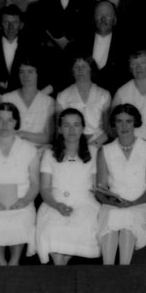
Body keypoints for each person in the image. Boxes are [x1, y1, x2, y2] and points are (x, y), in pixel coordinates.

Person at [0, 102, 40, 266]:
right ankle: (1, 263)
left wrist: (24, 201)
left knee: (19, 221)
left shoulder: (29, 149)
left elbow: (35, 184)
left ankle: (14, 263)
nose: (5, 125)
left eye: (10, 120)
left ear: (16, 122)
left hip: (22, 202)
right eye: (0, 120)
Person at [36, 108, 101, 265]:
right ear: (59, 129)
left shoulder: (94, 152)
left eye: (76, 125)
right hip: (54, 203)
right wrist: (57, 205)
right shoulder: (49, 153)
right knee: (52, 230)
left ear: (83, 128)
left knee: (79, 229)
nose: (72, 130)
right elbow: (44, 189)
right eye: (66, 125)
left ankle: (60, 271)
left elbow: (96, 187)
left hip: (85, 204)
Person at [95, 103, 146, 265]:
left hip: (140, 203)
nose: (124, 126)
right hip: (113, 204)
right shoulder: (105, 150)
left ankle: (123, 270)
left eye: (128, 121)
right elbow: (100, 190)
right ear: (113, 124)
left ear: (135, 123)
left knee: (128, 219)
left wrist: (133, 203)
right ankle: (108, 270)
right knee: (114, 216)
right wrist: (114, 202)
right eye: (119, 121)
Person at [66, 0, 130, 92]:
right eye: (99, 15)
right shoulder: (76, 45)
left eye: (108, 15)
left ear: (115, 20)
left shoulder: (126, 46)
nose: (103, 19)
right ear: (93, 19)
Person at [0, 55, 55, 148]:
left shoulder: (48, 102)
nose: (25, 76)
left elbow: (48, 138)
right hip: (12, 150)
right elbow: (1, 132)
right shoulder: (6, 99)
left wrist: (23, 134)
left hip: (38, 151)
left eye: (30, 71)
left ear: (37, 74)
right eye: (22, 72)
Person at [57, 54, 111, 146]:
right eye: (76, 67)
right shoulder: (62, 96)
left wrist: (93, 145)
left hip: (98, 143)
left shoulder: (104, 95)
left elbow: (107, 131)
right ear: (72, 71)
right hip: (72, 144)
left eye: (84, 66)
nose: (80, 70)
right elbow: (59, 131)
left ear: (91, 69)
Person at [0, 4, 33, 94]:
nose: (11, 27)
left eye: (15, 22)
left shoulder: (31, 47)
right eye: (6, 22)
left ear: (21, 25)